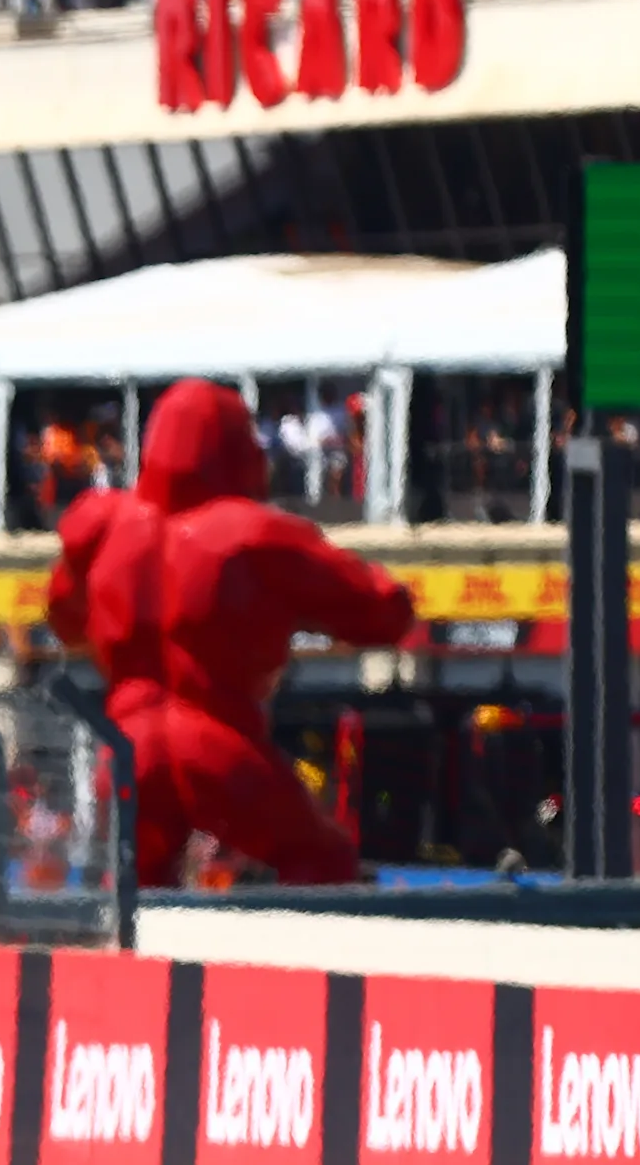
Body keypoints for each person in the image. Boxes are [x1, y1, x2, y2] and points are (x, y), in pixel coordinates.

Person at [47, 378, 414, 886]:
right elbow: (380, 612)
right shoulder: (253, 534)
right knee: (321, 862)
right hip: (217, 742)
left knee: (132, 892)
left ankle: (129, 964)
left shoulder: (105, 526)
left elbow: (63, 620)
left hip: (127, 745)